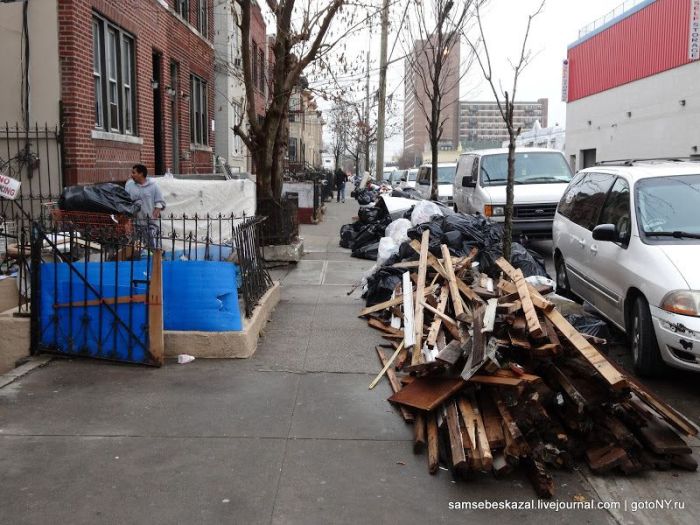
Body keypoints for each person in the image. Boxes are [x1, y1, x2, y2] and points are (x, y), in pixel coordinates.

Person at [125, 164, 166, 246]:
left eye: (134, 173)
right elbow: (125, 202)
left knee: (153, 246)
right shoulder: (129, 185)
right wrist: (127, 222)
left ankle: (155, 256)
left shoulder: (153, 186)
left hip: (149, 223)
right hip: (134, 223)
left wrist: (155, 213)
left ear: (141, 174)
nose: (131, 175)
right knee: (136, 247)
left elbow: (160, 202)